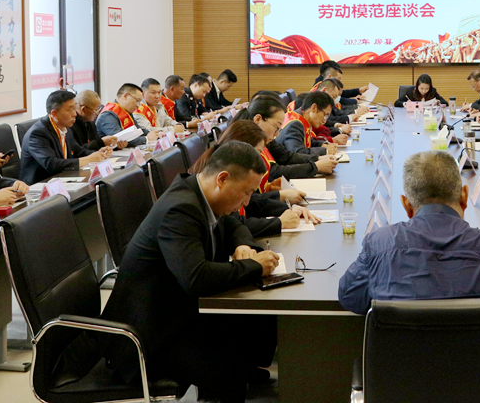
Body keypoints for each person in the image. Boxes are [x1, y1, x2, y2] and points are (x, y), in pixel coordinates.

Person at [100, 141, 280, 403]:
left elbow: (233, 223)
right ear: (222, 179)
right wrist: (255, 266)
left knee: (260, 321)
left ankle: (246, 372)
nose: (247, 201)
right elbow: (196, 278)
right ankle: (233, 381)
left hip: (176, 313)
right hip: (151, 336)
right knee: (229, 369)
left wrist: (243, 245)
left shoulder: (200, 194)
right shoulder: (180, 210)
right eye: (246, 192)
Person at [338, 150, 480, 314]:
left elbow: (350, 297)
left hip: (403, 361)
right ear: (464, 196)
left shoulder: (379, 244)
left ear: (406, 205)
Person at [190, 121, 318, 237]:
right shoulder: (220, 180)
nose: (259, 158)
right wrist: (279, 222)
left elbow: (249, 206)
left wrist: (287, 207)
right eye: (257, 152)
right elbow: (234, 224)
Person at [19, 90, 113, 184]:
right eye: (70, 109)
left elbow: (78, 152)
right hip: (41, 185)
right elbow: (52, 164)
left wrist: (99, 154)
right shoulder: (37, 134)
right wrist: (89, 159)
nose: (75, 114)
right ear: (54, 114)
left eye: (75, 108)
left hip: (63, 179)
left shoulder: (64, 128)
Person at [237, 96, 337, 179]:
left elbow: (285, 156)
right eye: (276, 127)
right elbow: (272, 172)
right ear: (258, 119)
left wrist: (318, 158)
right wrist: (315, 167)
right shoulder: (242, 143)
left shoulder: (264, 138)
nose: (277, 134)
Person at [96, 83, 159, 148]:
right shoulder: (107, 115)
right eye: (137, 101)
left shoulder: (126, 110)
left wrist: (156, 134)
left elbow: (138, 130)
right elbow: (119, 139)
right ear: (126, 96)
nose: (138, 105)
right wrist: (146, 139)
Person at [277, 91, 338, 157]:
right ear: (314, 108)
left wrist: (323, 144)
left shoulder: (296, 117)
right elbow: (298, 153)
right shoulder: (295, 124)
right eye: (325, 115)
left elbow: (304, 140)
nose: (324, 121)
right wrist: (325, 151)